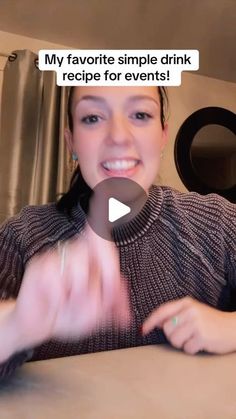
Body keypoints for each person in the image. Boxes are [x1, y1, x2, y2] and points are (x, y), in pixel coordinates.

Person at [0, 86, 235, 380]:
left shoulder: (216, 221)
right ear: (71, 141)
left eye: (140, 114)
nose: (119, 137)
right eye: (93, 118)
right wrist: (18, 323)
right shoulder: (22, 234)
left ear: (162, 135)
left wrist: (231, 328)